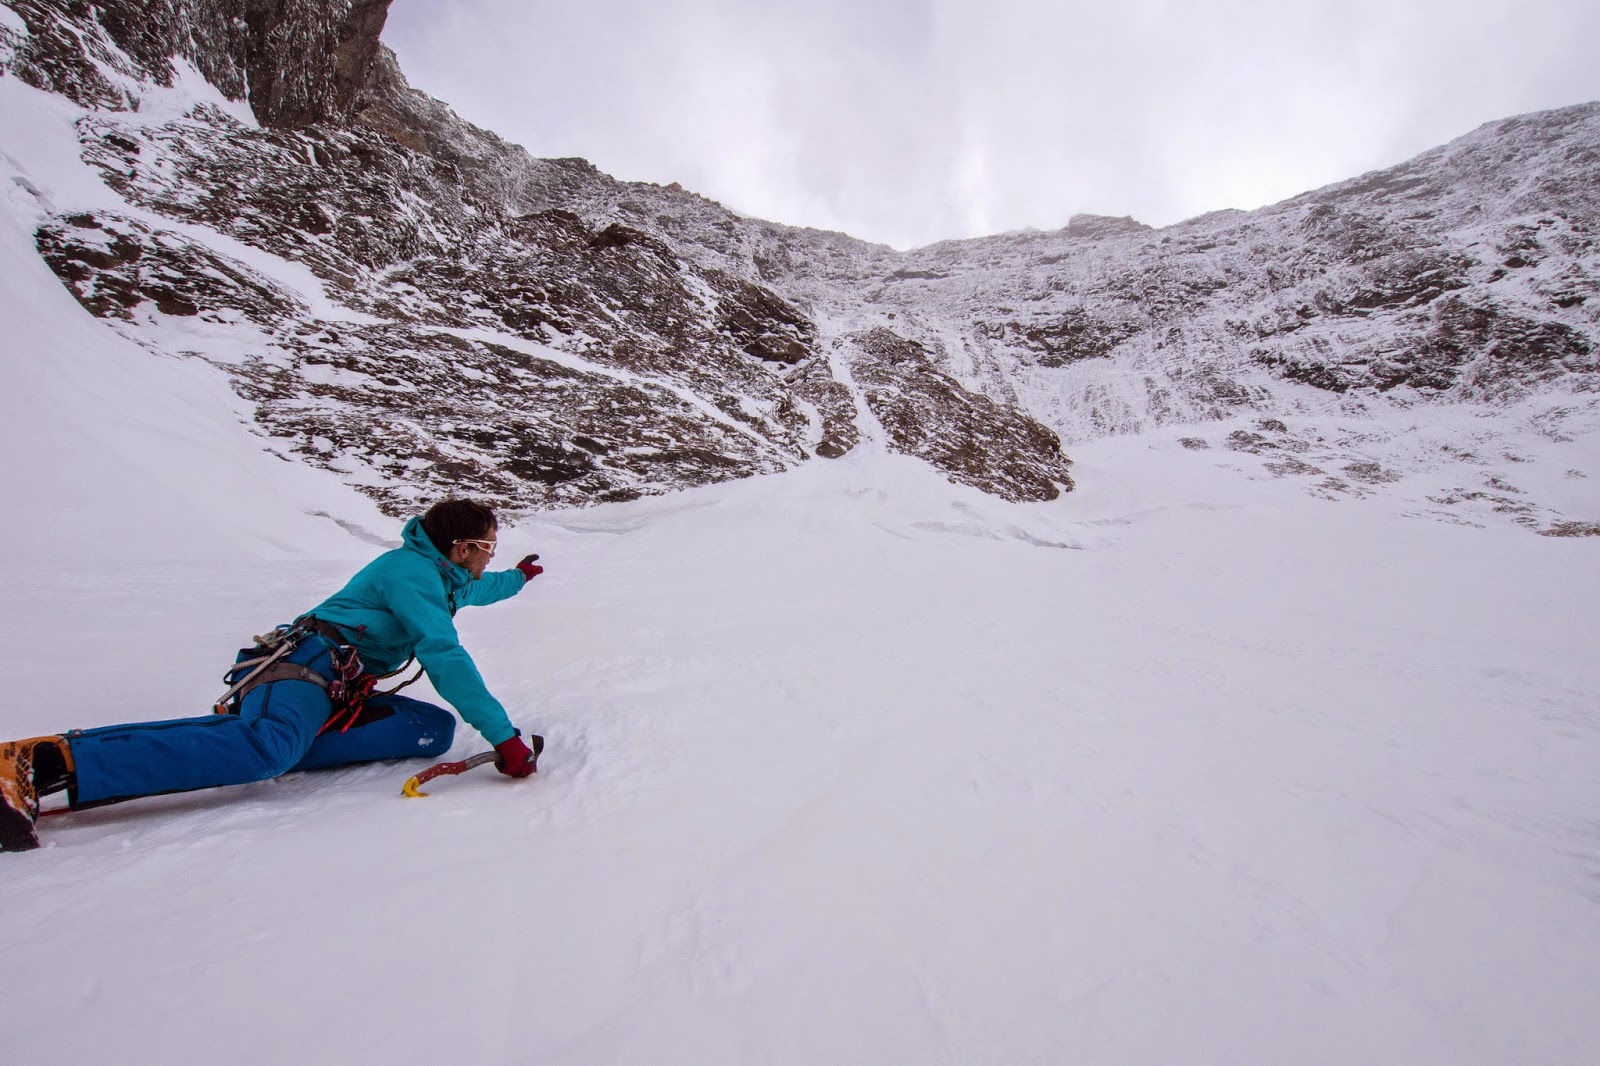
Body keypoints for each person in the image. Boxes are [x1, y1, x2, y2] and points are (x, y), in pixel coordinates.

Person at [0, 498, 544, 853]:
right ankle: (43, 761)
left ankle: (258, 741)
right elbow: (444, 656)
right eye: (489, 547)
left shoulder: (446, 578)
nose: (489, 556)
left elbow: (480, 589)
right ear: (463, 546)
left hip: (341, 686)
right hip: (306, 665)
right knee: (270, 749)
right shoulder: (410, 574)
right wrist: (503, 737)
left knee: (431, 730)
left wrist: (516, 577)